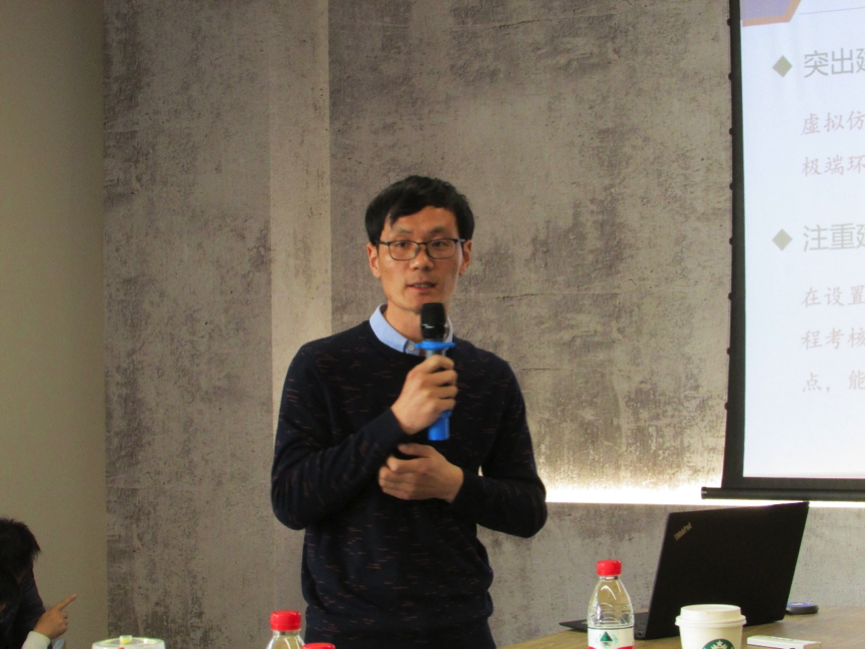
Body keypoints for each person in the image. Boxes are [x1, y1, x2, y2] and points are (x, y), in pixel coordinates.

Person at [271, 175, 547, 649]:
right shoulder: (321, 364)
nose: (421, 260)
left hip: (461, 630)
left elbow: (528, 511)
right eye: (401, 245)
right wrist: (395, 421)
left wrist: (452, 484)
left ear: (465, 255)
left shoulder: (490, 375)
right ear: (374, 258)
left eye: (439, 244)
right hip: (349, 633)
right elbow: (291, 500)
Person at [0, 519, 75, 650]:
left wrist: (43, 633)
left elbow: (31, 616)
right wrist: (39, 637)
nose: (4, 605)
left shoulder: (23, 576)